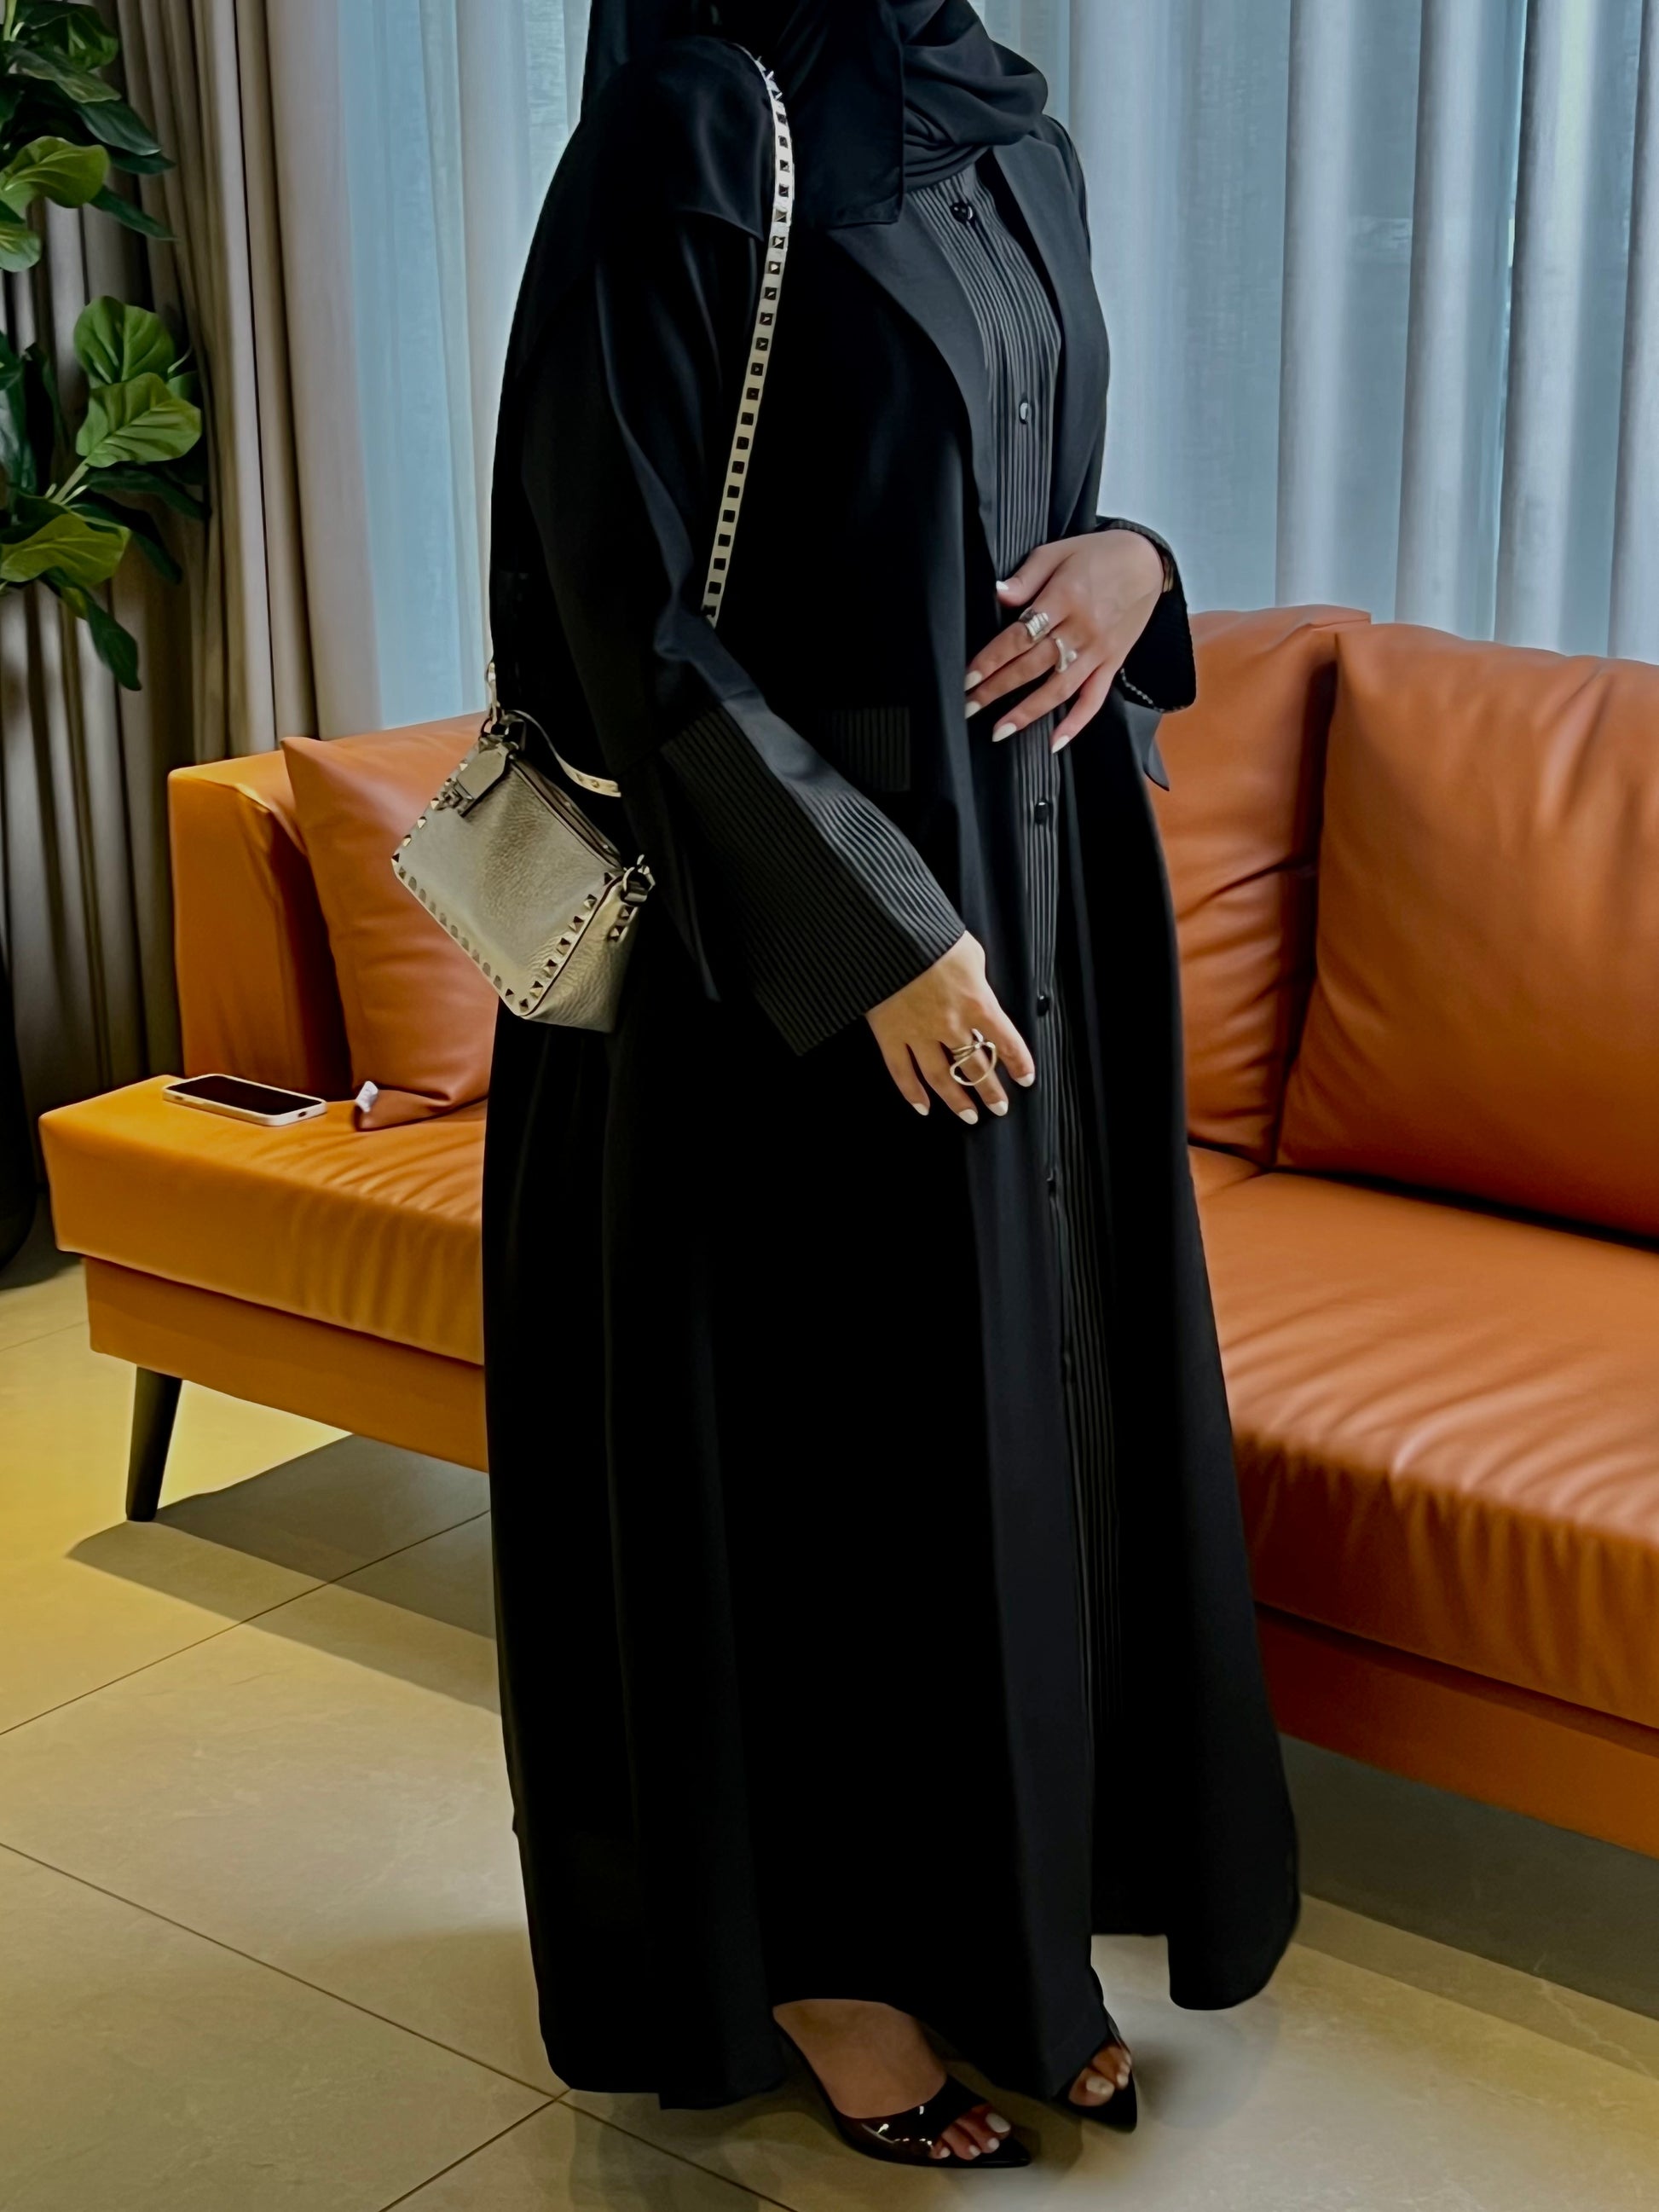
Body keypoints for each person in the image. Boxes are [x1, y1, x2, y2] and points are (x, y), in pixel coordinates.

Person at [483, 0, 1298, 2170]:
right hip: (785, 975)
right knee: (818, 1473)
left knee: (996, 1457)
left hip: (1029, 916)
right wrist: (870, 931)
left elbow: (1017, 504)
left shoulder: (1005, 123)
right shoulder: (685, 135)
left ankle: (1006, 1945)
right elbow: (617, 605)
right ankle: (827, 1968)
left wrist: (1135, 567)